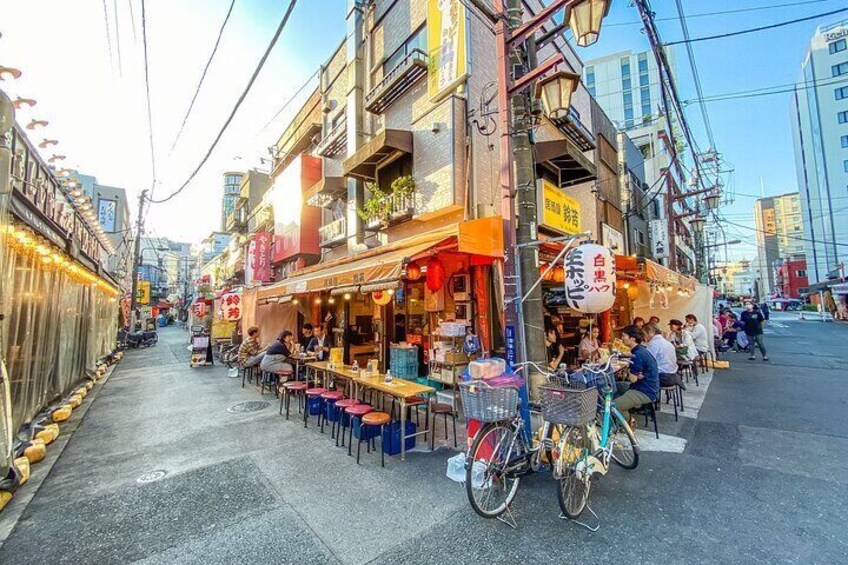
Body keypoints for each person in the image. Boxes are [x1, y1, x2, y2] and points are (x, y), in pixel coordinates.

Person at [614, 325, 659, 414]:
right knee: (615, 386)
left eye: (624, 336)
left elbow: (632, 379)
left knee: (613, 406)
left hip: (644, 390)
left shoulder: (637, 355)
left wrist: (630, 372)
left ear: (633, 339)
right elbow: (636, 376)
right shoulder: (641, 349)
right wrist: (636, 374)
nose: (622, 338)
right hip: (649, 386)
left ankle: (627, 424)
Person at [644, 323, 684, 389]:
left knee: (637, 379)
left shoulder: (653, 344)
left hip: (663, 377)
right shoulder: (667, 342)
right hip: (673, 374)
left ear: (650, 332)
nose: (644, 336)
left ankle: (649, 398)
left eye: (644, 334)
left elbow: (647, 363)